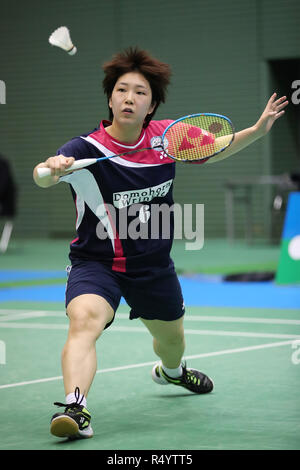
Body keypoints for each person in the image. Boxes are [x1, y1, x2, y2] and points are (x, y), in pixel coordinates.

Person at [33, 47, 288, 440]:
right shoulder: (85, 149)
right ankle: (75, 407)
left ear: (151, 105)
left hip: (152, 266)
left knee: (171, 341)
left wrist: (255, 131)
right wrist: (52, 168)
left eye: (139, 92)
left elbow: (215, 148)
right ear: (110, 98)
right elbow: (43, 175)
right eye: (121, 90)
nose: (129, 98)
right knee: (83, 321)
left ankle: (173, 372)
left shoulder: (167, 137)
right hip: (96, 263)